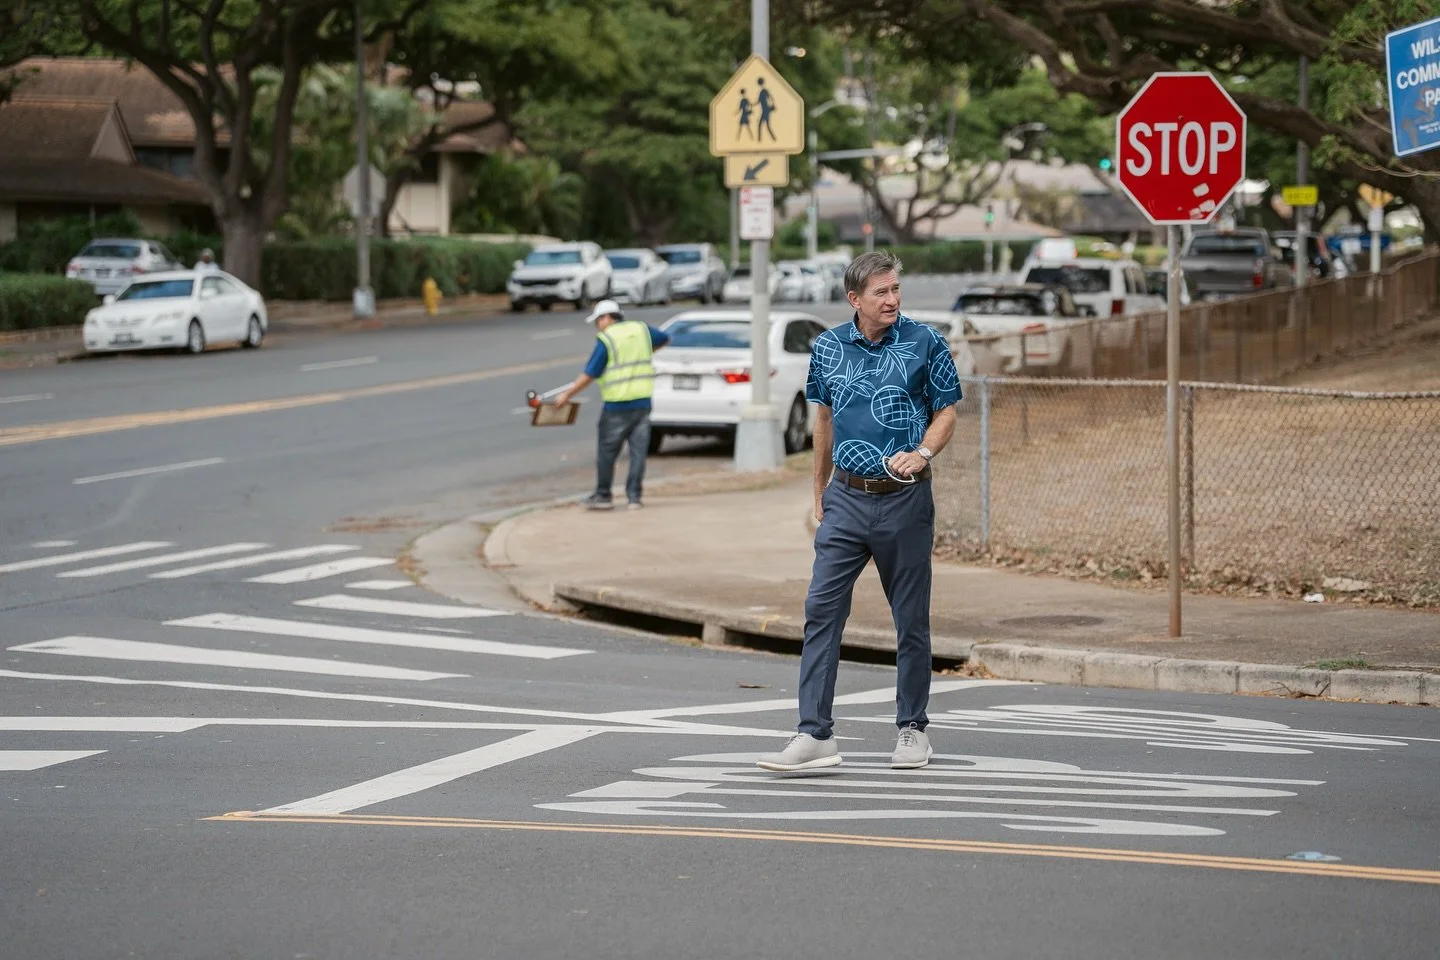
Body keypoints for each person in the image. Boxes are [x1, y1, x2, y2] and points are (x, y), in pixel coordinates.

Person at [757, 250, 960, 773]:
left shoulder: (925, 341)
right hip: (846, 497)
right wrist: (818, 487)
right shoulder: (826, 348)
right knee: (821, 611)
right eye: (881, 292)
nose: (892, 299)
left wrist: (923, 453)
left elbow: (947, 410)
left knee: (909, 619)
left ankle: (913, 728)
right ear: (855, 299)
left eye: (896, 289)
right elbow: (821, 419)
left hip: (904, 498)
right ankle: (814, 735)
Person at [553, 299, 670, 511]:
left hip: (617, 406)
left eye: (598, 320)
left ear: (607, 317)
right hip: (643, 402)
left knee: (607, 452)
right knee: (638, 453)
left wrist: (567, 394)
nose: (597, 325)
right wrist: (646, 352)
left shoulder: (607, 339)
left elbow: (590, 374)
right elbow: (664, 338)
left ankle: (603, 494)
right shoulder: (641, 329)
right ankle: (634, 497)